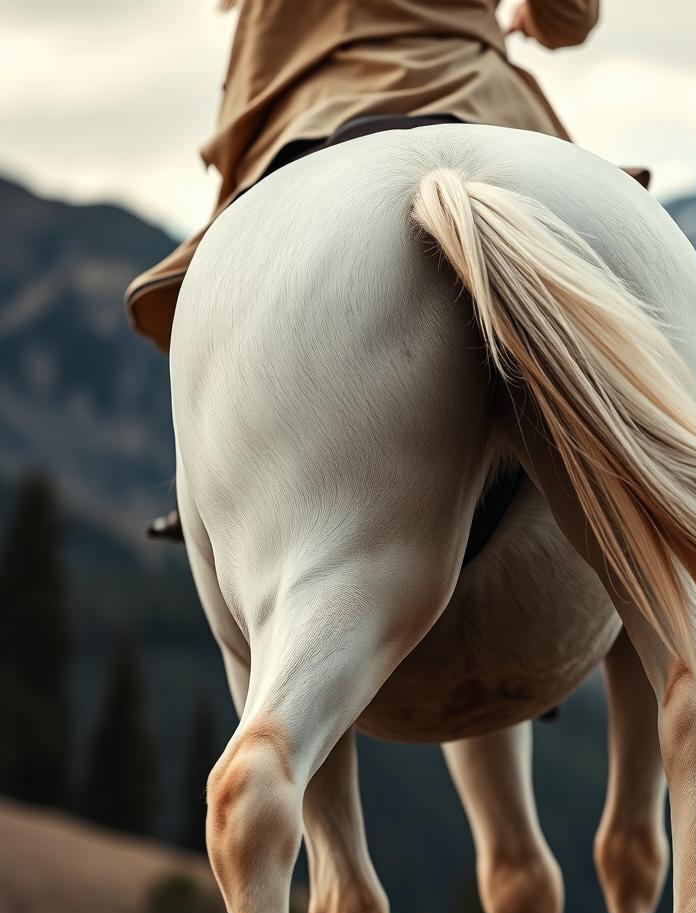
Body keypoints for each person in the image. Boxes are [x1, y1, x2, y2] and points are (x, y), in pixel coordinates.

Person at [127, 0, 647, 539]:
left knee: (218, 305)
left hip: (314, 102)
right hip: (475, 91)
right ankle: (646, 465)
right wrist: (528, 20)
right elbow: (570, 16)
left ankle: (212, 495)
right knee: (620, 284)